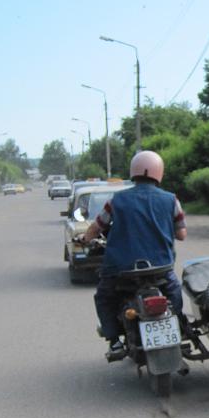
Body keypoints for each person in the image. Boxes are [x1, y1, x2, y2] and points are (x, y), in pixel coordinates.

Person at [81, 150, 187, 352]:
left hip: (121, 270)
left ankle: (114, 341)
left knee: (104, 297)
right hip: (160, 269)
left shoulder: (117, 200)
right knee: (174, 292)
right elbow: (181, 234)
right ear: (159, 173)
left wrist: (86, 239)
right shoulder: (171, 199)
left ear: (133, 173)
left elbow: (96, 228)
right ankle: (179, 325)